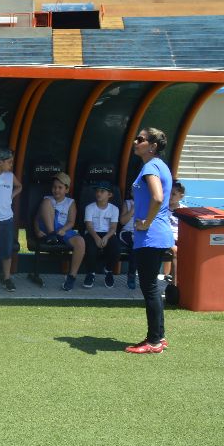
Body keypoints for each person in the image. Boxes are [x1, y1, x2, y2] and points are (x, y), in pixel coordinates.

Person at [125, 127, 174, 354]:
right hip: (156, 235)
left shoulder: (150, 167)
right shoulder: (159, 165)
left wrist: (145, 223)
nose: (136, 141)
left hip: (150, 237)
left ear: (152, 146)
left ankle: (154, 341)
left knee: (150, 288)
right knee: (152, 287)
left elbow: (157, 197)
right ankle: (158, 337)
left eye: (141, 139)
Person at [34, 172, 86, 291]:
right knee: (47, 203)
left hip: (62, 229)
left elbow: (71, 222)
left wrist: (63, 230)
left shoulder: (70, 202)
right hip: (48, 228)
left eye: (60, 187)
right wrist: (37, 230)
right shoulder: (47, 199)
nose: (56, 190)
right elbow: (36, 218)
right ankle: (52, 235)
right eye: (54, 187)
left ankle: (72, 276)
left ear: (66, 189)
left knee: (80, 242)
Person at [0, 148, 22, 292]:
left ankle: (7, 278)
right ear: (0, 162)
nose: (11, 165)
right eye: (9, 162)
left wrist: (11, 195)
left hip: (7, 219)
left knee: (7, 250)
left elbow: (19, 186)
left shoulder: (10, 176)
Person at [83, 181, 120, 289]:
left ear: (110, 195)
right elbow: (89, 226)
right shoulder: (89, 207)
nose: (98, 193)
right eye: (97, 191)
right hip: (92, 233)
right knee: (91, 249)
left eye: (102, 191)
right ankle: (91, 273)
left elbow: (113, 227)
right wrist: (96, 238)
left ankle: (108, 270)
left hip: (108, 233)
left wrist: (106, 237)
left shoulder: (114, 209)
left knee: (116, 248)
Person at [118, 184, 137, 289]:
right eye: (133, 191)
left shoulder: (148, 204)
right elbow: (122, 221)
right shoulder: (128, 203)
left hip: (141, 231)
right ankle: (131, 275)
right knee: (135, 245)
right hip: (127, 232)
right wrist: (133, 209)